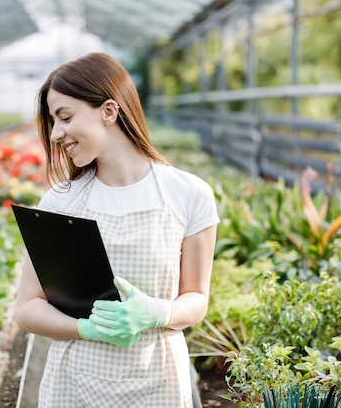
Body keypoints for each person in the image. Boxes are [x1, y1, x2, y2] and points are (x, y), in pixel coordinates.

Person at [13, 52, 220, 407]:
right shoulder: (60, 202)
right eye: (53, 121)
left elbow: (196, 299)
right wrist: (86, 328)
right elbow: (27, 308)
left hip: (158, 381)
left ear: (109, 111)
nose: (57, 133)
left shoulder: (188, 194)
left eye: (65, 117)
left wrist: (157, 312)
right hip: (74, 383)